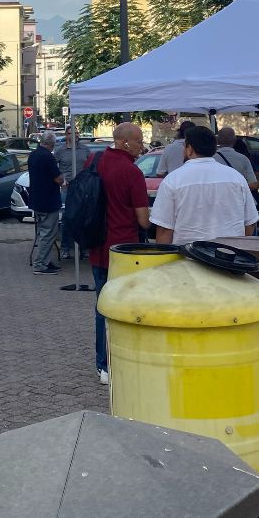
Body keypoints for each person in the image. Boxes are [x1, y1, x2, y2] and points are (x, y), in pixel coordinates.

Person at [93, 122, 151, 384]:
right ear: (125, 142)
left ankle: (102, 364)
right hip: (124, 249)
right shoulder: (132, 172)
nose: (142, 145)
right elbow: (143, 221)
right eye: (139, 140)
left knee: (102, 306)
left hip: (96, 246)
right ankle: (122, 359)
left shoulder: (95, 162)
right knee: (125, 307)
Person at [152, 126, 257, 245]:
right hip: (229, 257)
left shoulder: (173, 180)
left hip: (187, 258)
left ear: (189, 149)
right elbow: (250, 223)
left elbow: (164, 230)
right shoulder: (237, 178)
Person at [27, 130, 64, 275]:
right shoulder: (48, 157)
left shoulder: (33, 155)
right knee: (48, 233)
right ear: (51, 144)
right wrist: (62, 179)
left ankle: (46, 261)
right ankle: (40, 264)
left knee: (43, 232)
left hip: (36, 199)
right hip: (48, 200)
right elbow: (57, 178)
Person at [58, 126, 93, 261]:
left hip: (82, 188)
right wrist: (61, 180)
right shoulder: (60, 150)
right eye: (72, 133)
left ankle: (84, 248)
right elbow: (54, 168)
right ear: (66, 135)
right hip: (67, 188)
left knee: (84, 218)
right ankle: (65, 248)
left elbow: (90, 166)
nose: (76, 135)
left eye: (77, 132)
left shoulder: (85, 149)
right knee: (68, 218)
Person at [214, 126, 259, 197]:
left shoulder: (211, 159)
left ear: (217, 140)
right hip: (239, 200)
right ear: (235, 140)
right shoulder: (243, 159)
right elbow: (254, 184)